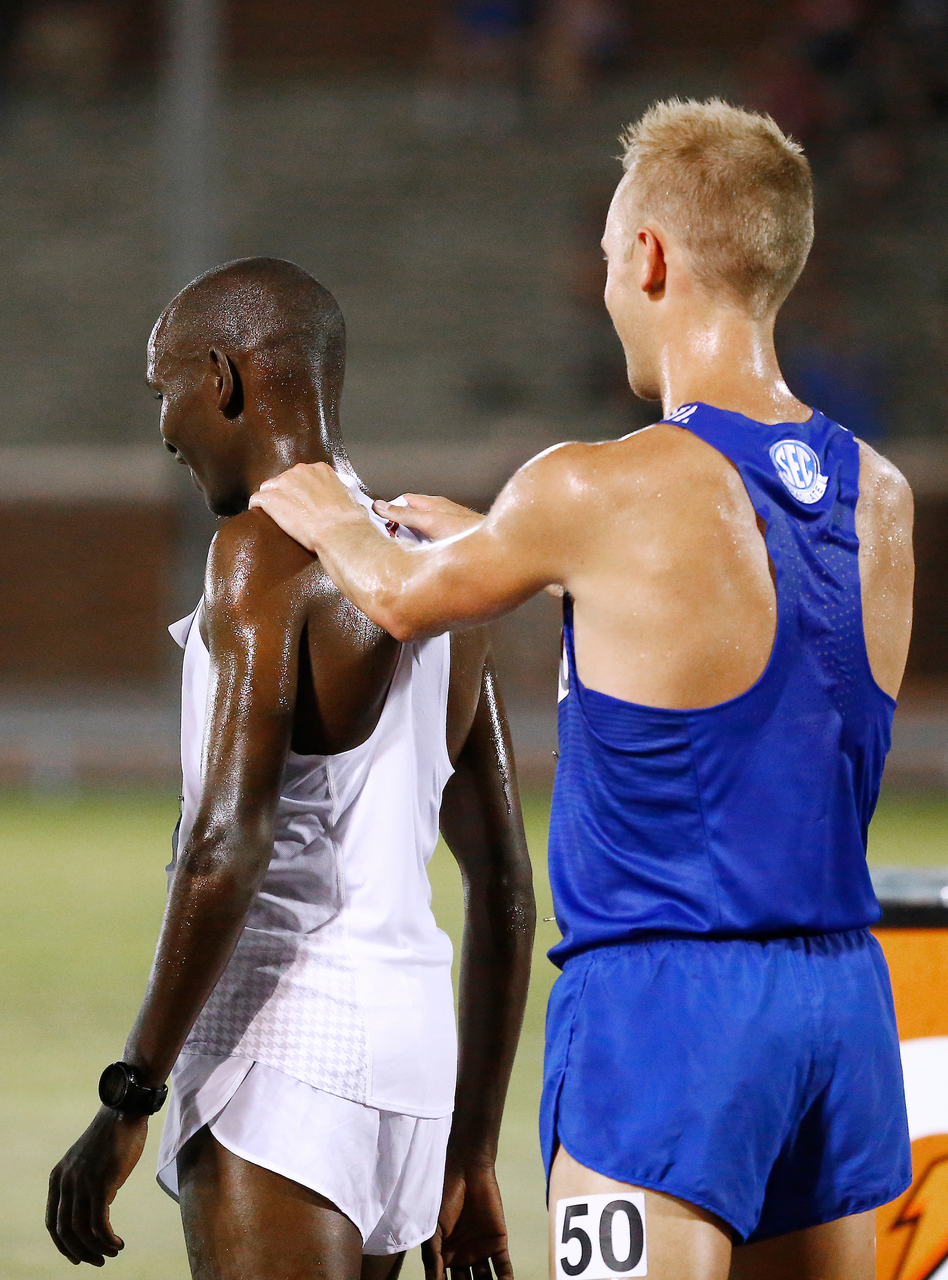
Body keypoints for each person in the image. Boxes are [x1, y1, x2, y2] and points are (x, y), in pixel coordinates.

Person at [249, 100, 915, 1280]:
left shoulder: (594, 487)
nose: (607, 285)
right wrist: (531, 559)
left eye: (612, 258)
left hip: (667, 1012)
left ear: (651, 257)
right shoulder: (882, 497)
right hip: (843, 1009)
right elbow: (734, 664)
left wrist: (317, 502)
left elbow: (401, 597)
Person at [46, 258, 535, 1279]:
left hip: (285, 1053)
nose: (165, 429)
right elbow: (504, 887)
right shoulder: (431, 555)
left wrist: (128, 1093)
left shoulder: (258, 549)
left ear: (223, 377)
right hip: (412, 1068)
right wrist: (475, 1147)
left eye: (165, 388)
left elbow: (228, 843)